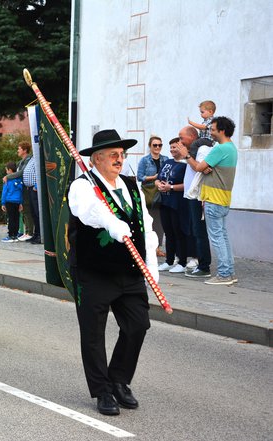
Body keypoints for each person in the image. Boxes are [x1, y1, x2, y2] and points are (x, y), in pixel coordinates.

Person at [67, 129, 159, 416]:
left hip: (130, 271)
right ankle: (102, 390)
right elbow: (90, 211)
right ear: (96, 159)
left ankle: (119, 379)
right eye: (113, 155)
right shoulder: (82, 186)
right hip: (95, 271)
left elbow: (146, 224)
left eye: (122, 155)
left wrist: (151, 263)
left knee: (138, 325)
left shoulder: (132, 186)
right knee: (93, 333)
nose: (120, 160)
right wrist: (112, 223)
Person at [179, 116, 238, 285]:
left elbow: (198, 167)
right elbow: (209, 169)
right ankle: (229, 272)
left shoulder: (220, 149)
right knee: (223, 236)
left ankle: (224, 274)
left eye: (212, 129)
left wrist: (186, 155)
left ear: (222, 131)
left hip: (213, 198)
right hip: (223, 198)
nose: (209, 132)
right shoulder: (231, 148)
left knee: (217, 237)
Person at [179, 126, 212, 278]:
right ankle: (199, 263)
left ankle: (204, 266)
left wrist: (186, 156)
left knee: (200, 232)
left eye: (182, 137)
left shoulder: (202, 148)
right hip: (192, 196)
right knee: (195, 230)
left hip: (198, 197)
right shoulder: (193, 149)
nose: (180, 141)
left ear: (192, 136)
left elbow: (201, 168)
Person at [155, 138, 188, 273]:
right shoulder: (167, 162)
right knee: (168, 232)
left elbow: (189, 185)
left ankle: (183, 261)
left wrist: (171, 187)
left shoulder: (186, 165)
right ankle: (169, 260)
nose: (172, 150)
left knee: (178, 232)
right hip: (165, 202)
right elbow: (158, 178)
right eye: (171, 147)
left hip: (178, 203)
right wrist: (159, 184)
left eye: (175, 147)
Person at [137, 135, 169, 256]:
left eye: (160, 145)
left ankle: (157, 248)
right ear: (150, 146)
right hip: (149, 194)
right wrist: (154, 177)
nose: (157, 147)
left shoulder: (165, 159)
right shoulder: (145, 160)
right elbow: (140, 177)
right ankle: (147, 247)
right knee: (148, 220)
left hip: (162, 194)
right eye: (155, 145)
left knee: (159, 222)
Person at [3, 141, 33, 241]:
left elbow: (21, 173)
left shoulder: (29, 159)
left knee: (27, 211)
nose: (17, 151)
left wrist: (8, 176)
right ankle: (26, 231)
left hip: (27, 189)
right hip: (21, 190)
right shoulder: (20, 162)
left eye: (19, 149)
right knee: (24, 212)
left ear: (24, 150)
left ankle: (30, 232)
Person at [0, 161, 23, 243]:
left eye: (6, 170)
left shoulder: (7, 180)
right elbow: (21, 192)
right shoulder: (19, 179)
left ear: (9, 170)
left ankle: (10, 235)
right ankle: (15, 235)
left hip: (9, 201)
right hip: (17, 202)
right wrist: (21, 203)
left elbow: (4, 192)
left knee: (11, 218)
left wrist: (3, 203)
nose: (6, 171)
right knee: (16, 218)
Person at [22, 153, 41, 244]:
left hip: (35, 189)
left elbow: (40, 171)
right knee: (33, 213)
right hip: (30, 188)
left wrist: (37, 185)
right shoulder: (32, 157)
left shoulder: (38, 157)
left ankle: (40, 235)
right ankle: (36, 234)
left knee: (37, 212)